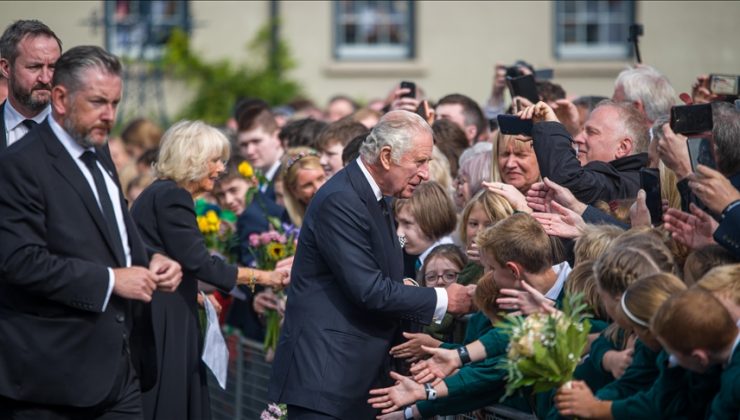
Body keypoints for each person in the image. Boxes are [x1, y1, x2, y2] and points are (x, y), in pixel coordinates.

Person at [0, 45, 182, 418]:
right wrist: (111, 281)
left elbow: (113, 231)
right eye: (98, 102)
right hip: (52, 380)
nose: (109, 115)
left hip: (120, 372)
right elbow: (19, 261)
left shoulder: (98, 153)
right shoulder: (20, 165)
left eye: (115, 103)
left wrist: (152, 259)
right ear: (62, 98)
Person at [267, 110, 473, 419]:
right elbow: (369, 289)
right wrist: (444, 298)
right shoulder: (342, 199)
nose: (426, 173)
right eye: (419, 162)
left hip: (352, 381)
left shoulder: (376, 197)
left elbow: (377, 279)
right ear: (387, 156)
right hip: (328, 384)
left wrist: (404, 287)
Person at [130, 120, 288, 420]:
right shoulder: (172, 196)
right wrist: (264, 277)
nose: (220, 169)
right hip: (165, 320)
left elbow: (169, 259)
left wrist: (197, 297)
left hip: (164, 310)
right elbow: (200, 263)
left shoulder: (159, 193)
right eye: (215, 160)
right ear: (193, 160)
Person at [521, 100, 650, 204]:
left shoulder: (633, 185)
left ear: (622, 147)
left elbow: (569, 180)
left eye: (591, 132)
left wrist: (552, 127)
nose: (577, 138)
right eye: (582, 131)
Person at [0, 19, 62, 151]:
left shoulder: (79, 131)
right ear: (6, 68)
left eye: (52, 67)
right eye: (34, 67)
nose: (45, 79)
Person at [281, 147, 327, 227]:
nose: (318, 188)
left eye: (320, 178)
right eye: (307, 185)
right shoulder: (288, 227)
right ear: (294, 191)